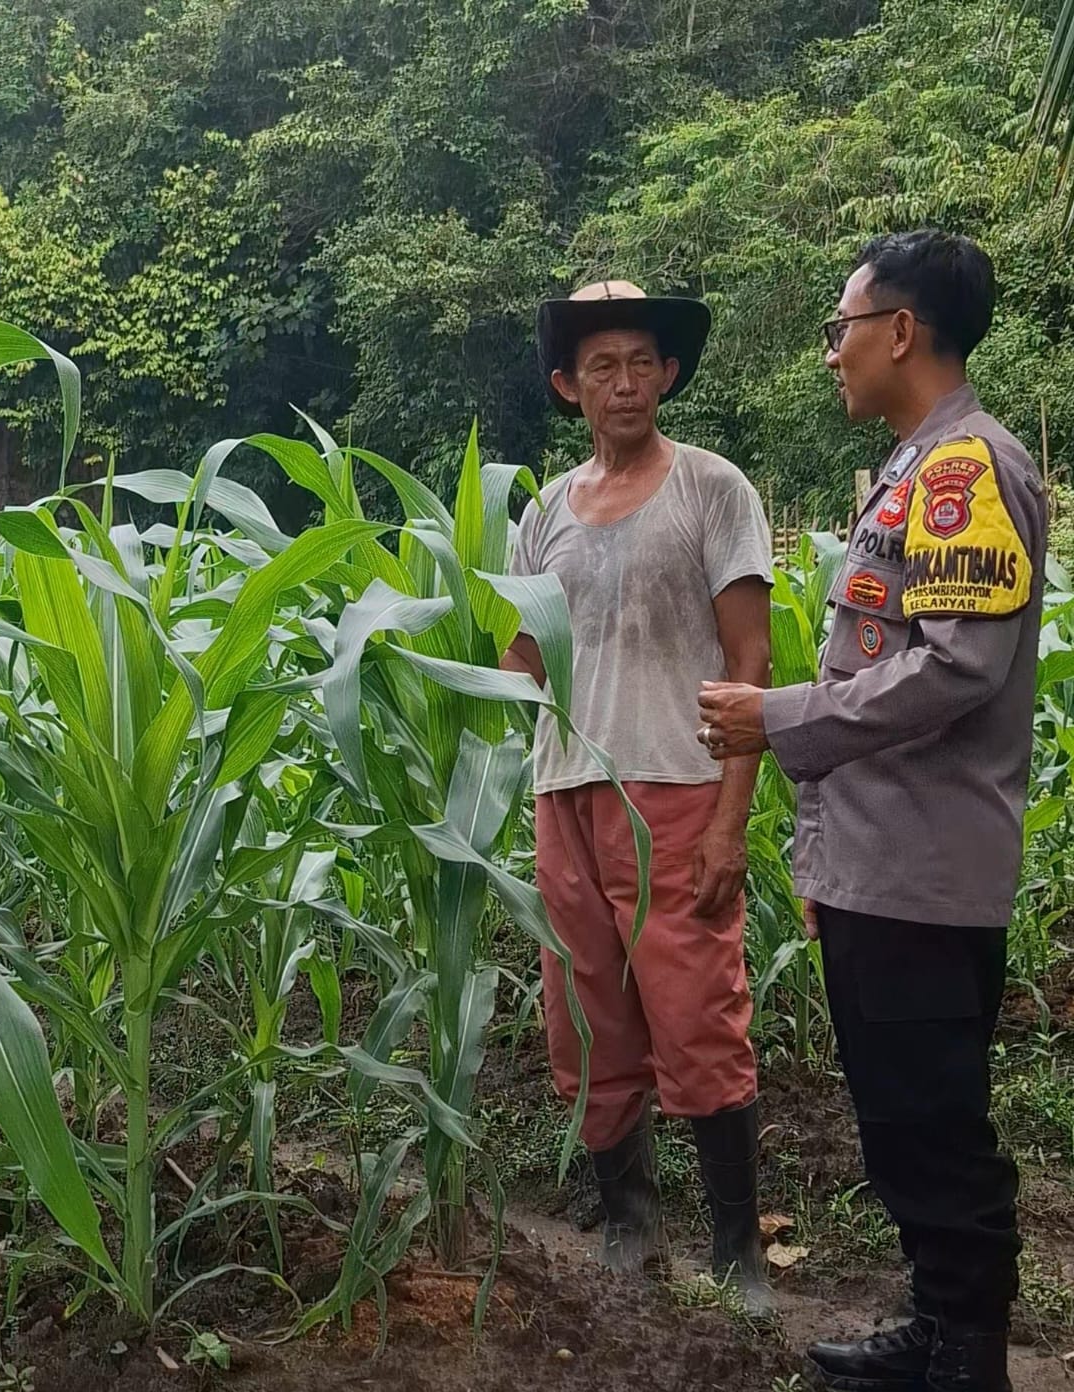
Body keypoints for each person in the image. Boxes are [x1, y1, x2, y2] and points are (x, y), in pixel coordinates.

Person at [699, 231, 1043, 1392]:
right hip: (880, 861)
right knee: (902, 1118)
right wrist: (825, 857)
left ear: (899, 331)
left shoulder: (962, 471)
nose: (830, 353)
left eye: (838, 328)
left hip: (921, 869)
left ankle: (967, 1357)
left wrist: (776, 716)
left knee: (933, 1124)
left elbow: (954, 670)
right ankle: (938, 1328)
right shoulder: (917, 466)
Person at [505, 281, 775, 1311]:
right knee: (585, 1021)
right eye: (600, 368)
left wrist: (729, 822)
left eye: (639, 364)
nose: (622, 384)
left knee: (698, 1016)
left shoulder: (712, 490)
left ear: (667, 374)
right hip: (564, 792)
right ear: (567, 388)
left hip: (674, 789)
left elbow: (750, 663)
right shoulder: (542, 516)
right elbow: (523, 663)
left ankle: (738, 1252)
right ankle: (629, 1226)